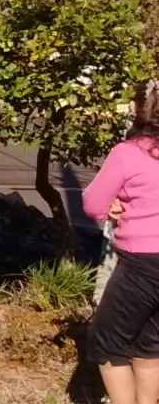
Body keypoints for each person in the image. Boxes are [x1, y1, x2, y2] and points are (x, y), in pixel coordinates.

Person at [84, 81, 159, 404]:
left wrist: (110, 206)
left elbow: (91, 203)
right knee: (150, 343)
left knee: (107, 344)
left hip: (141, 263)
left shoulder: (128, 153)